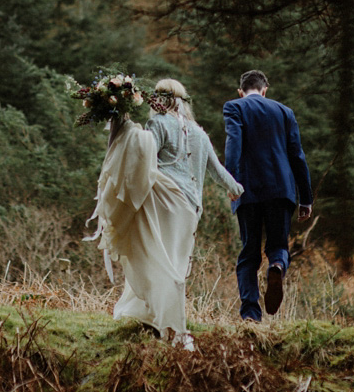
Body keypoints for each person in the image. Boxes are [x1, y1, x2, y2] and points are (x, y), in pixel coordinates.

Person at [87, 77, 243, 350]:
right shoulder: (199, 133)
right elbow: (217, 170)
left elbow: (145, 157)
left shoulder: (158, 124)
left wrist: (122, 128)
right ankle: (157, 317)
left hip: (164, 202)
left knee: (157, 257)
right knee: (177, 263)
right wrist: (237, 189)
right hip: (191, 208)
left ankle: (163, 320)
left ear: (159, 99)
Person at [223, 70, 314, 322]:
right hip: (280, 189)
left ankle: (251, 314)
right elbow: (297, 155)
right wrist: (306, 198)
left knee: (249, 252)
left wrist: (230, 180)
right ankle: (276, 267)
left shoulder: (234, 107)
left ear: (241, 91)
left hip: (247, 189)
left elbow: (234, 143)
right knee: (278, 246)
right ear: (265, 90)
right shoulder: (285, 112)